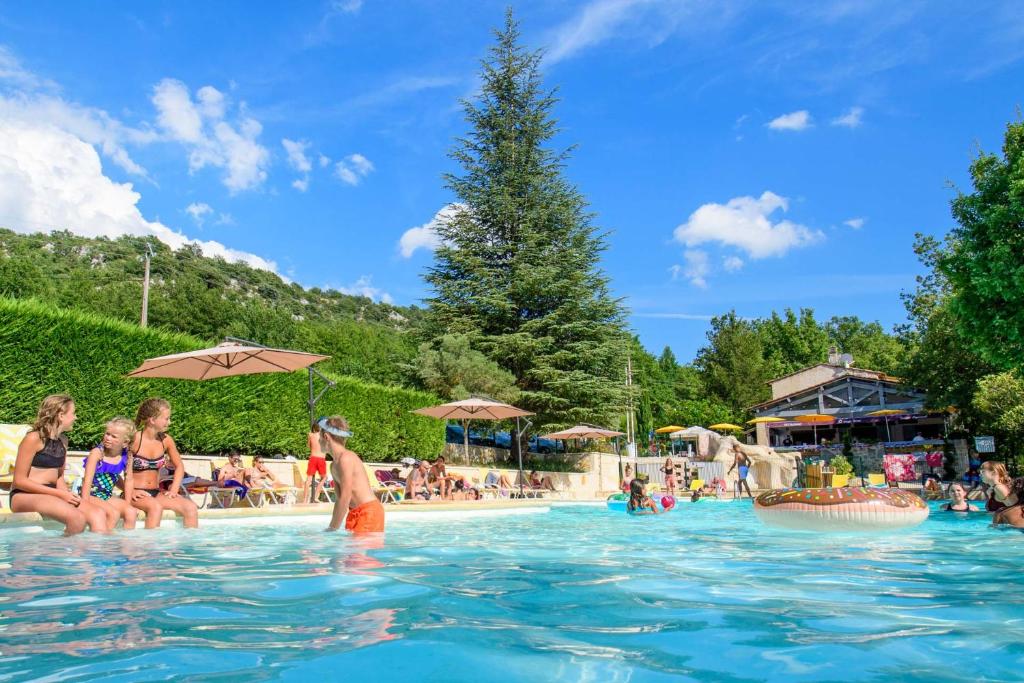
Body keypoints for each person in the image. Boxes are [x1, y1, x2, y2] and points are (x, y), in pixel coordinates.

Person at [9, 395, 108, 534]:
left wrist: (67, 494)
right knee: (76, 518)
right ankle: (64, 555)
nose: (76, 417)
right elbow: (19, 481)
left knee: (98, 514)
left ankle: (95, 554)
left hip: (53, 494)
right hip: (24, 495)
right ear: (61, 415)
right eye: (73, 413)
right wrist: (60, 494)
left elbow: (59, 477)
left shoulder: (63, 441)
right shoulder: (33, 439)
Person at [129, 398, 199, 529]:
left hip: (156, 493)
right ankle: (151, 547)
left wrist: (173, 490)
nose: (169, 422)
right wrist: (130, 491)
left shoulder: (166, 440)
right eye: (166, 418)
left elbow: (179, 466)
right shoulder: (134, 439)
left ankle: (189, 548)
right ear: (152, 419)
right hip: (136, 493)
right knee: (156, 507)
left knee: (190, 507)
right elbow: (113, 466)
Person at [321, 416, 384, 533]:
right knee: (352, 551)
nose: (319, 441)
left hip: (368, 511)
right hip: (355, 512)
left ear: (326, 437)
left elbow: (346, 497)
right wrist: (331, 527)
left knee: (355, 551)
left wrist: (332, 528)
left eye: (320, 437)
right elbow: (339, 499)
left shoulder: (346, 458)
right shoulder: (333, 465)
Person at [81, 417, 138, 529]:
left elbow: (129, 480)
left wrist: (127, 503)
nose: (107, 438)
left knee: (131, 512)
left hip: (106, 495)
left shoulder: (126, 456)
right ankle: (105, 542)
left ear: (125, 442)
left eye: (113, 436)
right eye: (107, 434)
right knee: (113, 514)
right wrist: (85, 503)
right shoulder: (97, 453)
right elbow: (87, 481)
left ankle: (126, 543)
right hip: (91, 494)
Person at [303, 422, 329, 504]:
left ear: (313, 429)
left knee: (308, 479)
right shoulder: (324, 436)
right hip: (321, 459)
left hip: (313, 458)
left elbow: (309, 446)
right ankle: (316, 497)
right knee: (324, 478)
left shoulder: (310, 435)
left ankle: (304, 500)